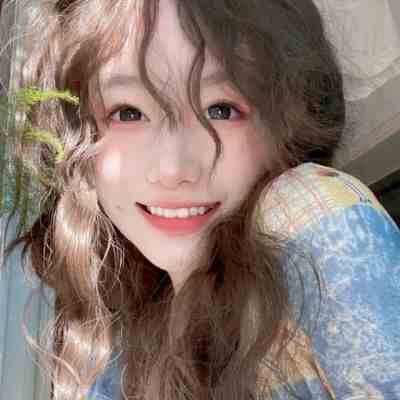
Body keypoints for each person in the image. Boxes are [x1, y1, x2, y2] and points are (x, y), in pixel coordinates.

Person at [1, 0, 399, 399]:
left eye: (220, 109)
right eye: (127, 113)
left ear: (287, 124)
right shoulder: (115, 355)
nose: (173, 169)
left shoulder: (305, 214)